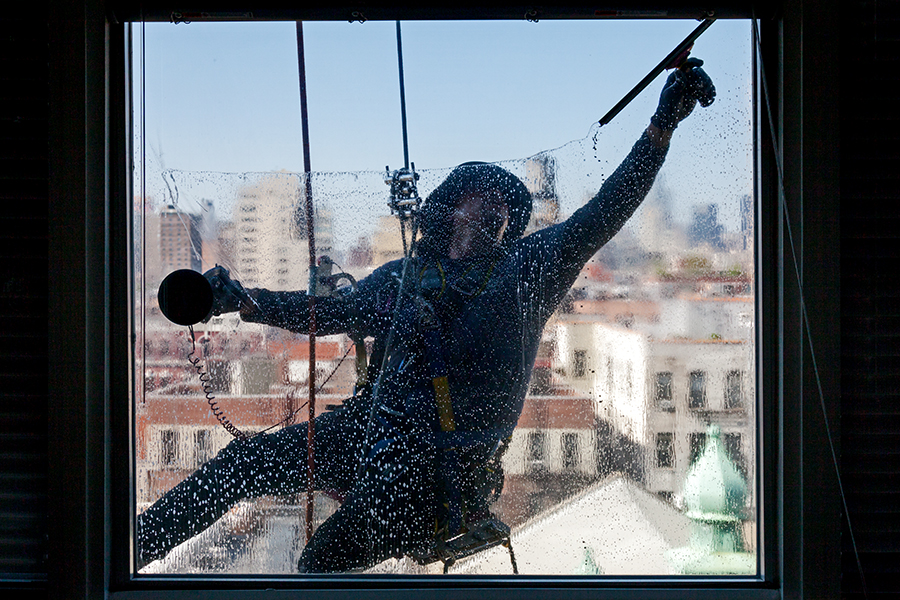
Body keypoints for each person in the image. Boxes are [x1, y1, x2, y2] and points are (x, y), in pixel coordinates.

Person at [138, 58, 715, 573]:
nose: (484, 217)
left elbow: (603, 212)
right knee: (243, 465)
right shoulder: (407, 278)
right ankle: (136, 547)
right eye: (474, 201)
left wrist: (659, 130)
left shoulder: (526, 273)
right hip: (372, 433)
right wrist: (242, 300)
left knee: (320, 563)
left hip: (433, 473)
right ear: (450, 207)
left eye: (498, 210)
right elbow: (329, 312)